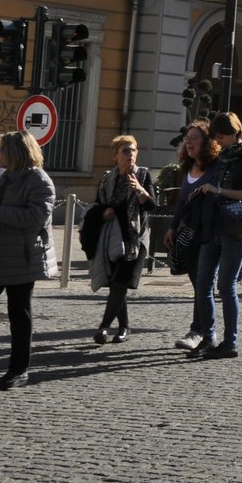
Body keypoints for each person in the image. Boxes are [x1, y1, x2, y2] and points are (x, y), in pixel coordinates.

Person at [0, 131, 56, 389]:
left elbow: (34, 218)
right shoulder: (8, 177)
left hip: (21, 257)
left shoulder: (39, 181)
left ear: (15, 153)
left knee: (19, 314)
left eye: (2, 150)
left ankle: (18, 370)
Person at [187, 112, 242, 359]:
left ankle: (230, 342)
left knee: (226, 285)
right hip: (214, 225)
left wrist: (219, 190)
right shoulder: (223, 157)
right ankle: (208, 338)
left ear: (234, 132)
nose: (218, 141)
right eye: (216, 137)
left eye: (221, 136)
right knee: (202, 282)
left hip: (235, 227)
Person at [89, 135, 154, 342]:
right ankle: (125, 327)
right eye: (125, 151)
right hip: (112, 239)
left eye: (133, 150)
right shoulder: (108, 178)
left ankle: (103, 328)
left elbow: (152, 205)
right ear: (115, 156)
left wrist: (141, 191)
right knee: (117, 285)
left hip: (135, 239)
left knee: (119, 284)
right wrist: (103, 213)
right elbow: (96, 206)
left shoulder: (143, 175)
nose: (130, 155)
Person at [166, 121, 219, 350]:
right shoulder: (187, 170)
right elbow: (182, 203)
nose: (189, 141)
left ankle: (199, 331)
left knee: (203, 283)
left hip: (209, 233)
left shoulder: (216, 170)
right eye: (187, 137)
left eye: (195, 137)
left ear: (207, 142)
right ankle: (203, 331)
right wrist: (172, 227)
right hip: (189, 233)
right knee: (198, 283)